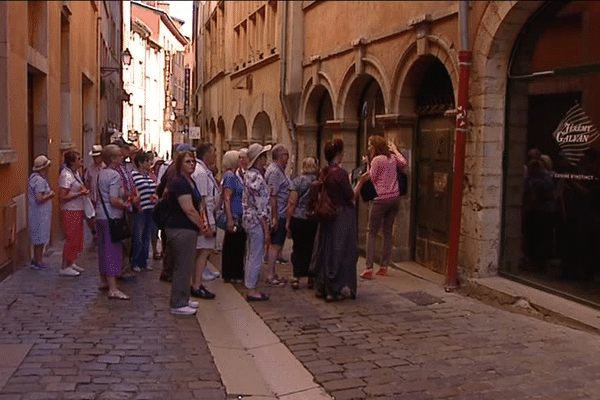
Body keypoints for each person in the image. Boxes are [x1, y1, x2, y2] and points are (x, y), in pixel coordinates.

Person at [164, 150, 212, 315]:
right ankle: (178, 303)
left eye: (193, 161)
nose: (191, 164)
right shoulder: (179, 182)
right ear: (180, 164)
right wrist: (202, 226)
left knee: (187, 265)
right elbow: (189, 209)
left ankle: (183, 298)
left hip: (187, 228)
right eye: (187, 162)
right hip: (180, 228)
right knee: (182, 267)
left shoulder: (189, 180)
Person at [311, 138, 357, 301]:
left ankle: (323, 285)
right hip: (341, 215)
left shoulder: (324, 171)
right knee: (340, 251)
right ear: (338, 154)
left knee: (326, 249)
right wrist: (361, 182)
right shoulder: (340, 173)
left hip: (326, 214)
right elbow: (350, 196)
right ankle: (335, 287)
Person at [358, 136, 408, 279]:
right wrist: (396, 150)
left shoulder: (377, 160)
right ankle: (384, 266)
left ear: (375, 146)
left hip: (380, 198)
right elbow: (404, 163)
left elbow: (371, 177)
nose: (368, 148)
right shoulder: (392, 158)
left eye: (370, 145)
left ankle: (368, 268)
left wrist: (366, 165)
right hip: (395, 198)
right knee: (387, 231)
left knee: (372, 231)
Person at [96, 145, 131, 300]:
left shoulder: (100, 173)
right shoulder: (115, 176)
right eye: (118, 155)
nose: (121, 157)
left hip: (100, 215)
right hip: (112, 217)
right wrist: (126, 205)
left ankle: (104, 280)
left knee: (103, 250)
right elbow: (113, 199)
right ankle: (113, 287)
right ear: (112, 159)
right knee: (112, 250)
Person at [156, 143, 195, 283]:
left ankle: (168, 271)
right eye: (188, 160)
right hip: (175, 216)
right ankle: (168, 272)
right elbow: (164, 189)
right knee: (175, 251)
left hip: (171, 215)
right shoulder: (176, 175)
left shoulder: (179, 174)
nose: (192, 163)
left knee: (171, 247)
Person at [242, 143, 273, 301]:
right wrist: (266, 229)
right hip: (256, 221)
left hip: (248, 219)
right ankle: (252, 288)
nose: (265, 159)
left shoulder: (249, 174)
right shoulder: (258, 178)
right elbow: (261, 207)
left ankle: (250, 284)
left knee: (251, 254)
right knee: (255, 254)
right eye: (263, 156)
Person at [189, 143, 218, 299]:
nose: (215, 155)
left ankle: (197, 282)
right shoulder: (200, 173)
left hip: (207, 216)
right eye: (213, 152)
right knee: (203, 251)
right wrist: (205, 223)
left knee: (203, 251)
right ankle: (197, 285)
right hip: (205, 217)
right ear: (206, 154)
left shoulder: (203, 171)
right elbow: (202, 200)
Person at [285, 157, 319, 290]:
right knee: (312, 248)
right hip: (313, 217)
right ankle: (311, 277)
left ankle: (296, 277)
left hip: (299, 217)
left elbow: (292, 202)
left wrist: (288, 219)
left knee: (298, 247)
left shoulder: (297, 182)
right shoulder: (318, 182)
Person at [59, 150, 89, 276]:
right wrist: (80, 193)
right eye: (78, 158)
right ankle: (64, 266)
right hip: (70, 210)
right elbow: (63, 196)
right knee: (71, 237)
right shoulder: (66, 175)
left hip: (78, 208)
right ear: (72, 162)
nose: (81, 160)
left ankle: (72, 262)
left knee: (77, 237)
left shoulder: (76, 173)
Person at [112, 139, 140, 279]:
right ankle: (121, 269)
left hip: (129, 206)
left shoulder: (125, 166)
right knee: (123, 239)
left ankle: (125, 267)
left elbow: (130, 184)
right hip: (122, 207)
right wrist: (130, 197)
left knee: (129, 238)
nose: (125, 154)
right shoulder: (115, 170)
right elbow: (120, 190)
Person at [264, 144, 291, 286]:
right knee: (275, 245)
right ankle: (270, 275)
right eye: (286, 155)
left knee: (277, 244)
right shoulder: (275, 172)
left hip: (280, 212)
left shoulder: (279, 171)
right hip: (278, 213)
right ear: (281, 156)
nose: (288, 158)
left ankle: (273, 272)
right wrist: (275, 217)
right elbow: (272, 195)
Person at [220, 150, 246, 282]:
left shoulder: (236, 175)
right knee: (233, 245)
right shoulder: (230, 176)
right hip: (234, 214)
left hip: (239, 213)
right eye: (239, 158)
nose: (241, 160)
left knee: (237, 244)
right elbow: (227, 198)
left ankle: (235, 272)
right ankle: (231, 273)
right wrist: (230, 218)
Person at [131, 151, 158, 272]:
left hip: (150, 209)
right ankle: (135, 261)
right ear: (140, 163)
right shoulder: (133, 175)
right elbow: (133, 192)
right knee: (138, 236)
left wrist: (154, 197)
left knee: (147, 235)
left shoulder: (148, 176)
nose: (149, 163)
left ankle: (144, 261)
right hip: (139, 210)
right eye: (147, 161)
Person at [28, 155, 55, 270]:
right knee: (40, 237)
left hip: (39, 213)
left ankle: (37, 259)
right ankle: (38, 260)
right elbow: (39, 198)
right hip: (39, 214)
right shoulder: (38, 180)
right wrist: (50, 194)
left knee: (39, 236)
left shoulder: (35, 178)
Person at [84, 145, 104, 245]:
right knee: (90, 218)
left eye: (97, 156)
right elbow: (87, 180)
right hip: (92, 197)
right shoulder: (90, 167)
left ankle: (100, 235)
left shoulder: (105, 167)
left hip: (103, 198)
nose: (96, 159)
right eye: (94, 157)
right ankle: (95, 233)